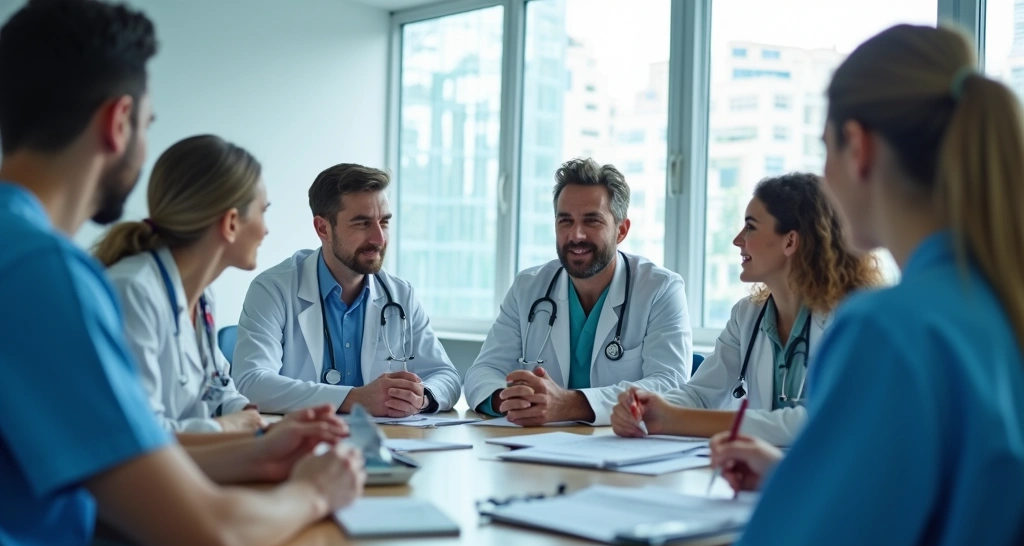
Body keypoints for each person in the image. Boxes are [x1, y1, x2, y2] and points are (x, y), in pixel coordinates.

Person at [0, 2, 365, 546]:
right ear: (118, 123)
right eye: (147, 125)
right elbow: (208, 541)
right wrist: (316, 490)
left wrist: (260, 452)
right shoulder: (45, 274)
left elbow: (121, 460)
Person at [709, 24, 1024, 546]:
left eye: (825, 149)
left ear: (858, 147)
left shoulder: (887, 329)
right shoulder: (997, 305)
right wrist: (796, 479)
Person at [611, 173, 881, 446]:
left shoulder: (855, 318)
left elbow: (819, 420)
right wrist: (648, 408)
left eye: (750, 227)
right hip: (761, 473)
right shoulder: (748, 316)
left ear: (790, 241)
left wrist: (674, 419)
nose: (738, 240)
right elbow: (701, 395)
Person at [464, 158, 693, 426]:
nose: (576, 235)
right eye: (565, 221)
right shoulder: (528, 288)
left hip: (619, 448)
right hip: (537, 445)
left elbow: (670, 384)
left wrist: (571, 404)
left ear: (621, 230)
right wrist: (510, 400)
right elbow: (483, 370)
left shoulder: (660, 290)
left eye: (592, 221)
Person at [233, 163, 461, 415]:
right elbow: (251, 383)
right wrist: (356, 399)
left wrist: (421, 398)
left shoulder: (399, 294)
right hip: (302, 444)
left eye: (384, 222)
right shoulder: (274, 289)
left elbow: (446, 376)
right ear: (323, 229)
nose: (379, 238)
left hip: (385, 442)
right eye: (362, 224)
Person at [95, 135, 269, 433]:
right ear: (230, 223)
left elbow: (218, 387)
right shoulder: (133, 290)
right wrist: (228, 427)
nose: (266, 230)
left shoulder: (201, 298)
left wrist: (255, 419)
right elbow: (142, 432)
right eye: (263, 212)